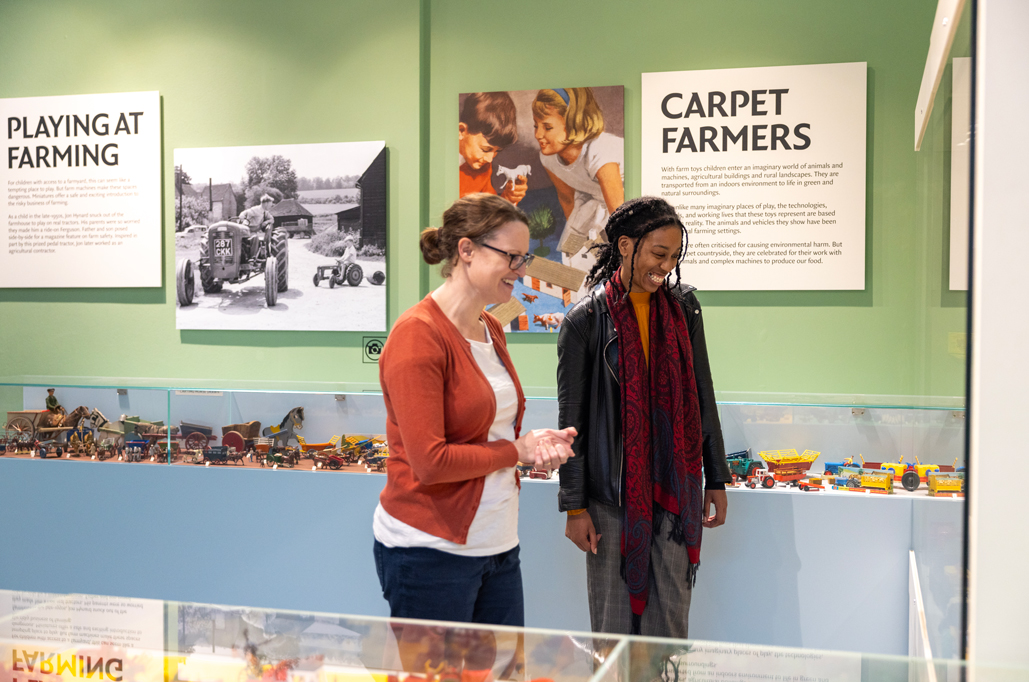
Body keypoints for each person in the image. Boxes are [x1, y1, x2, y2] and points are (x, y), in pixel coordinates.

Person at [374, 192, 576, 629]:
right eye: (512, 258)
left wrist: (535, 444)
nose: (521, 272)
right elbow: (430, 463)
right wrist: (515, 452)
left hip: (497, 545)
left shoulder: (490, 327)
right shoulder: (417, 337)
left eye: (524, 259)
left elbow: (490, 429)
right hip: (429, 551)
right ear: (466, 250)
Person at [556, 196, 731, 638]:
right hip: (610, 500)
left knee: (669, 626)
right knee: (613, 630)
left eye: (674, 257)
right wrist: (574, 507)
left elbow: (702, 396)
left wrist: (717, 478)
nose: (666, 267)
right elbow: (570, 422)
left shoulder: (685, 309)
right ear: (626, 245)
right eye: (658, 254)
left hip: (676, 491)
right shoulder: (585, 320)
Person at [532, 87, 624, 255]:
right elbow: (567, 198)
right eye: (535, 125)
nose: (538, 134)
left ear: (574, 124)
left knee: (603, 258)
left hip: (621, 207)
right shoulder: (548, 157)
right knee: (572, 256)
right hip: (590, 202)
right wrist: (576, 234)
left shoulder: (599, 151)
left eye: (547, 127)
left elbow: (619, 213)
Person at [459, 92, 527, 205]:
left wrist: (509, 198)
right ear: (461, 131)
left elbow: (491, 211)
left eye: (497, 151)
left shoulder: (483, 168)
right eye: (485, 149)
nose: (490, 159)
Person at [238, 194, 275, 259]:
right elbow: (241, 215)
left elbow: (272, 219)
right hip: (248, 231)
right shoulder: (254, 210)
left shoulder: (265, 212)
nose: (271, 205)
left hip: (255, 231)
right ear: (266, 203)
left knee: (257, 238)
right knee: (255, 238)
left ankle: (255, 257)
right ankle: (252, 258)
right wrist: (244, 221)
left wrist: (266, 222)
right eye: (270, 204)